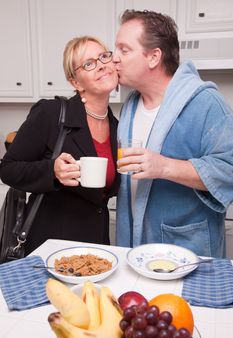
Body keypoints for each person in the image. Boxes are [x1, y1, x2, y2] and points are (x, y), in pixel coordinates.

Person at [113, 9, 233, 257]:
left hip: (186, 251)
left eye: (124, 50)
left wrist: (164, 167)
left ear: (154, 57)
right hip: (134, 250)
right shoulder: (130, 106)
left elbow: (229, 169)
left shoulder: (206, 103)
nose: (114, 58)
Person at [0, 36, 119, 254]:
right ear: (75, 82)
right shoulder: (52, 113)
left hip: (97, 248)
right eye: (89, 63)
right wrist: (52, 171)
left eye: (104, 56)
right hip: (52, 247)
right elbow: (8, 169)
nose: (101, 64)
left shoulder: (118, 127)